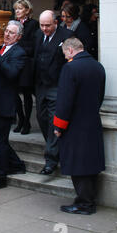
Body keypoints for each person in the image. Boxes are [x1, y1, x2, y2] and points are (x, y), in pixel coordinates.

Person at [54, 38, 105, 215]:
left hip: (74, 125)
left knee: (78, 165)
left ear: (69, 50)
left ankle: (84, 203)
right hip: (92, 122)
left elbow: (64, 101)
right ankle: (88, 200)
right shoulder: (98, 66)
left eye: (65, 53)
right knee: (90, 163)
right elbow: (100, 96)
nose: (65, 56)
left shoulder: (70, 68)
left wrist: (59, 126)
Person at [0, 20, 27, 191]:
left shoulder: (19, 53)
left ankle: (0, 176)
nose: (7, 35)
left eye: (12, 33)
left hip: (3, 104)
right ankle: (16, 164)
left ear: (19, 37)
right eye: (7, 31)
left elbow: (12, 73)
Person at [33, 10, 73, 175]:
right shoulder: (37, 35)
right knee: (41, 118)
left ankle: (51, 159)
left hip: (57, 85)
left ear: (56, 22)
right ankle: (55, 149)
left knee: (53, 121)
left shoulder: (67, 35)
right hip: (41, 86)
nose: (44, 28)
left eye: (47, 25)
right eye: (42, 25)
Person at [12, 0, 39, 135]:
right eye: (16, 9)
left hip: (27, 62)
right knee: (14, 93)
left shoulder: (33, 24)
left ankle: (27, 121)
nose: (17, 11)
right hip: (14, 62)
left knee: (27, 94)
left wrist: (18, 47)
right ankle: (20, 119)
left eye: (20, 8)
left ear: (27, 10)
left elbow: (33, 45)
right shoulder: (13, 24)